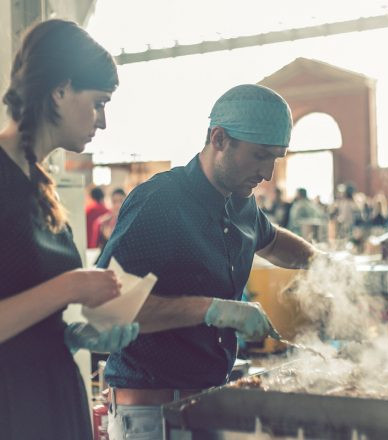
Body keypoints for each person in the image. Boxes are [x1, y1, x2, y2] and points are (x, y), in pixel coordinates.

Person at [97, 84, 322, 440]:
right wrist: (214, 310)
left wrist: (325, 264)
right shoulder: (159, 201)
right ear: (218, 138)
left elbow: (273, 240)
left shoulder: (240, 202)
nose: (267, 173)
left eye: (275, 158)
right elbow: (111, 307)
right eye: (259, 156)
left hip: (208, 399)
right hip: (151, 411)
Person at [0, 19, 139, 440]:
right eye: (98, 102)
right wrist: (71, 286)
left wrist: (74, 335)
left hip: (53, 396)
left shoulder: (39, 182)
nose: (102, 121)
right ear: (60, 91)